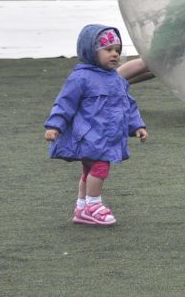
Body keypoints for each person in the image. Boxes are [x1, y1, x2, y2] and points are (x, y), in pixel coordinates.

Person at [44, 24, 148, 225]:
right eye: (108, 50)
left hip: (107, 135)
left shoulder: (116, 79)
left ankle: (82, 206)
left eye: (117, 51)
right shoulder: (81, 77)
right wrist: (54, 125)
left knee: (89, 170)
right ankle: (94, 205)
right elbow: (65, 102)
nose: (114, 55)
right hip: (91, 135)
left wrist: (137, 126)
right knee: (100, 167)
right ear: (91, 51)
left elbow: (128, 104)